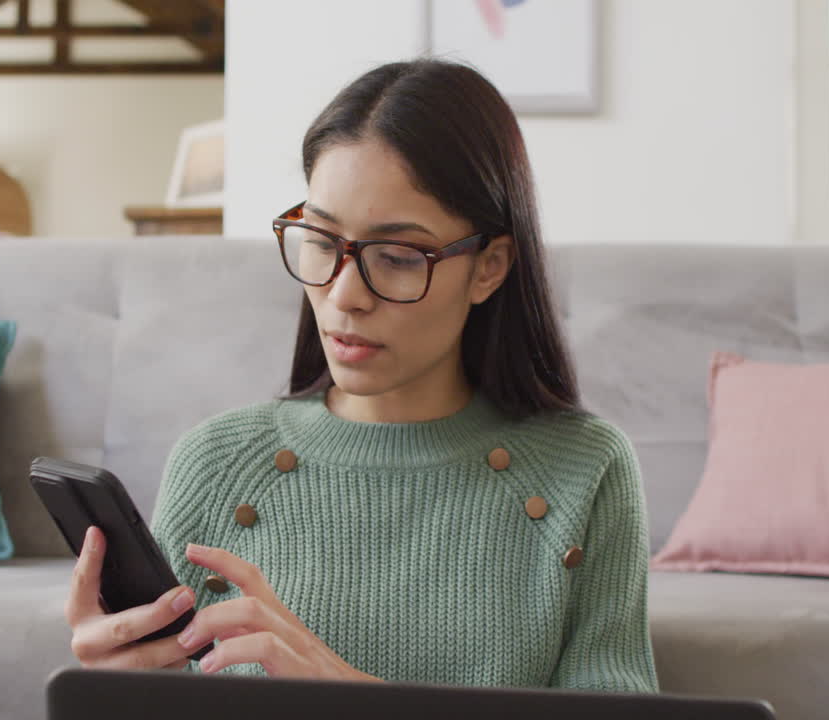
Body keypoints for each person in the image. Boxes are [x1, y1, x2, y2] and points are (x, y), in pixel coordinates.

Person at [65, 57, 659, 693]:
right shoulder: (214, 466)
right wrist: (117, 687)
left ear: (489, 267)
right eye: (321, 241)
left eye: (398, 256)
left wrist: (348, 694)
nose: (345, 294)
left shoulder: (583, 471)